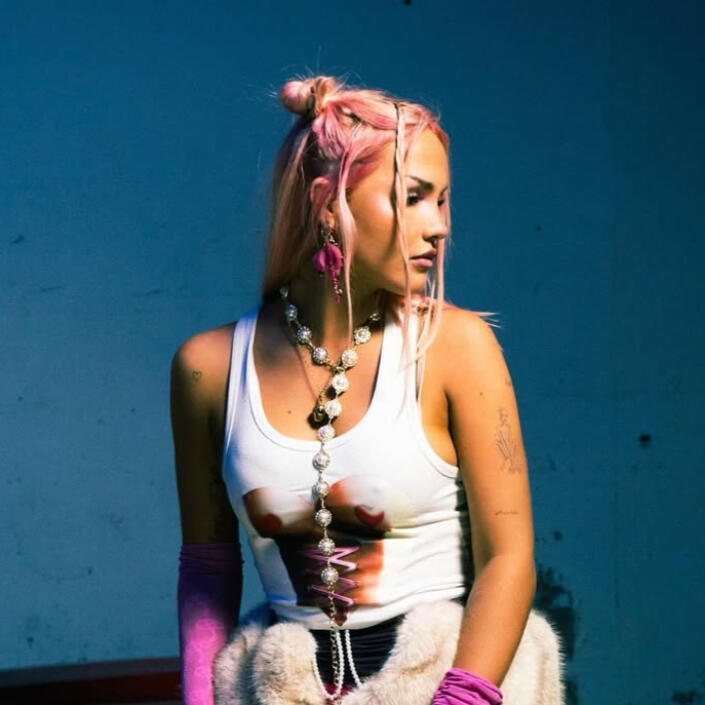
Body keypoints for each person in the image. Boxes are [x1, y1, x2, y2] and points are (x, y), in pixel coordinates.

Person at [170, 75, 558, 705]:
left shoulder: (458, 347)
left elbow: (508, 557)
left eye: (443, 201)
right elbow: (208, 565)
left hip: (445, 679)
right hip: (283, 686)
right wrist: (199, 699)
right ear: (328, 204)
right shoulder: (206, 368)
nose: (439, 227)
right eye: (413, 198)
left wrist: (460, 699)